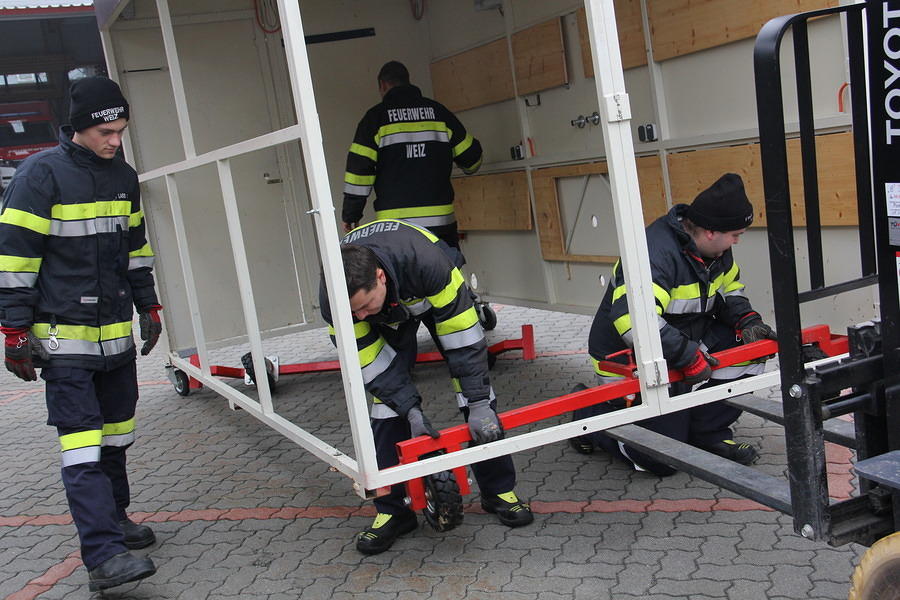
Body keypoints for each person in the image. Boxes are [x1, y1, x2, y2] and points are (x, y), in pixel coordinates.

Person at [0, 76, 161, 591]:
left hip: (115, 340)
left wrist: (149, 305)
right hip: (64, 342)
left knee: (115, 438)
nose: (115, 141)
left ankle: (116, 519)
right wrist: (13, 330)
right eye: (105, 132)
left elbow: (135, 248)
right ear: (79, 128)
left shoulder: (124, 178)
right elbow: (14, 259)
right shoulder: (40, 175)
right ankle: (103, 556)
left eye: (121, 131)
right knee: (83, 447)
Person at [319, 219, 533, 555]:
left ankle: (498, 491)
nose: (359, 316)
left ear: (380, 277)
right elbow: (371, 363)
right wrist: (410, 409)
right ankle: (393, 511)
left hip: (426, 288)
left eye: (364, 305)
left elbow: (464, 342)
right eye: (353, 311)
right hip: (389, 313)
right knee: (385, 406)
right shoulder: (335, 300)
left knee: (476, 395)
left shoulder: (428, 263)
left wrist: (478, 402)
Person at [570, 173, 777, 476]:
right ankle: (588, 416)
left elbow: (729, 290)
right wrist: (687, 355)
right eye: (735, 234)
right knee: (660, 459)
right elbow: (632, 321)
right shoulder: (655, 253)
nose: (737, 241)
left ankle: (706, 433)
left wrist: (747, 320)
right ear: (710, 232)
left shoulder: (717, 250)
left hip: (677, 344)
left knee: (751, 348)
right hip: (630, 355)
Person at [341, 61, 483, 248]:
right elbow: (472, 159)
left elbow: (359, 172)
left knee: (403, 269)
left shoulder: (375, 119)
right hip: (440, 227)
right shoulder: (439, 114)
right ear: (408, 80)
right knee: (446, 267)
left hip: (396, 229)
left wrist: (351, 214)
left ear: (383, 85)